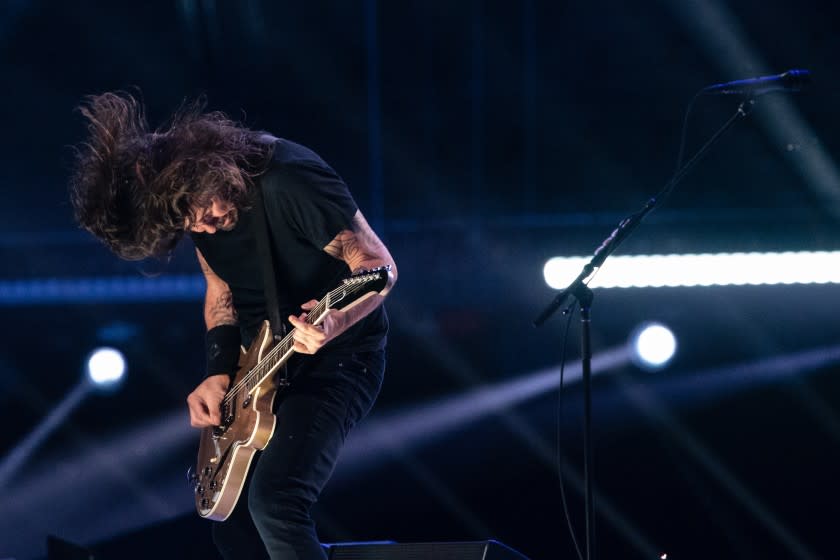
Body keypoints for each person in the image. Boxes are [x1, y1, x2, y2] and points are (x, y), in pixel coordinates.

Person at [69, 91, 397, 559]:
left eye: (198, 215)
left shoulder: (289, 178)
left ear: (194, 170)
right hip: (258, 368)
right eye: (187, 226)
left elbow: (377, 265)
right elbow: (220, 289)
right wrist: (219, 370)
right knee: (231, 521)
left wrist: (336, 319)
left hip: (340, 359)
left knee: (276, 502)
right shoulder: (195, 211)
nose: (201, 229)